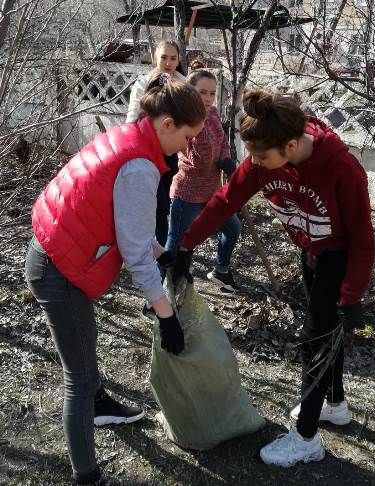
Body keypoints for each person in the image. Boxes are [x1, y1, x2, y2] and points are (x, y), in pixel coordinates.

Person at [171, 89, 375, 467]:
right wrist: (186, 245)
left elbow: (364, 238)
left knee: (314, 339)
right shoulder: (262, 160)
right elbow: (226, 200)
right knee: (325, 334)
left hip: (340, 257)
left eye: (262, 157)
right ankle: (334, 404)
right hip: (311, 252)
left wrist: (352, 295)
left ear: (291, 146)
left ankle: (306, 439)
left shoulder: (342, 168)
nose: (255, 163)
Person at [25, 73, 206, 486]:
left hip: (53, 248)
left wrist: (165, 254)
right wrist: (166, 317)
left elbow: (130, 228)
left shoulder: (129, 137)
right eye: (187, 137)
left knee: (83, 348)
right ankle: (86, 477)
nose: (188, 147)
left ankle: (99, 403)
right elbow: (136, 255)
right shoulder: (140, 166)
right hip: (58, 269)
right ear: (167, 124)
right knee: (77, 377)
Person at [165, 69, 241, 292]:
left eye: (212, 93)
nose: (208, 99)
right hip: (188, 192)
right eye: (202, 92)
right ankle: (163, 290)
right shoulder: (185, 121)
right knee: (177, 243)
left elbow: (223, 141)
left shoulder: (213, 113)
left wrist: (226, 159)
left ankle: (220, 270)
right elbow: (201, 161)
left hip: (212, 190)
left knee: (233, 228)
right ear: (190, 92)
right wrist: (200, 122)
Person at [126, 40, 186, 246]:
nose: (168, 63)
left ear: (179, 60)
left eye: (173, 58)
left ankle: (160, 246)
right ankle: (145, 244)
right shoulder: (143, 83)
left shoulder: (184, 83)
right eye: (164, 57)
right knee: (151, 200)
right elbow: (132, 117)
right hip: (147, 150)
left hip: (172, 151)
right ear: (154, 58)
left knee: (164, 202)